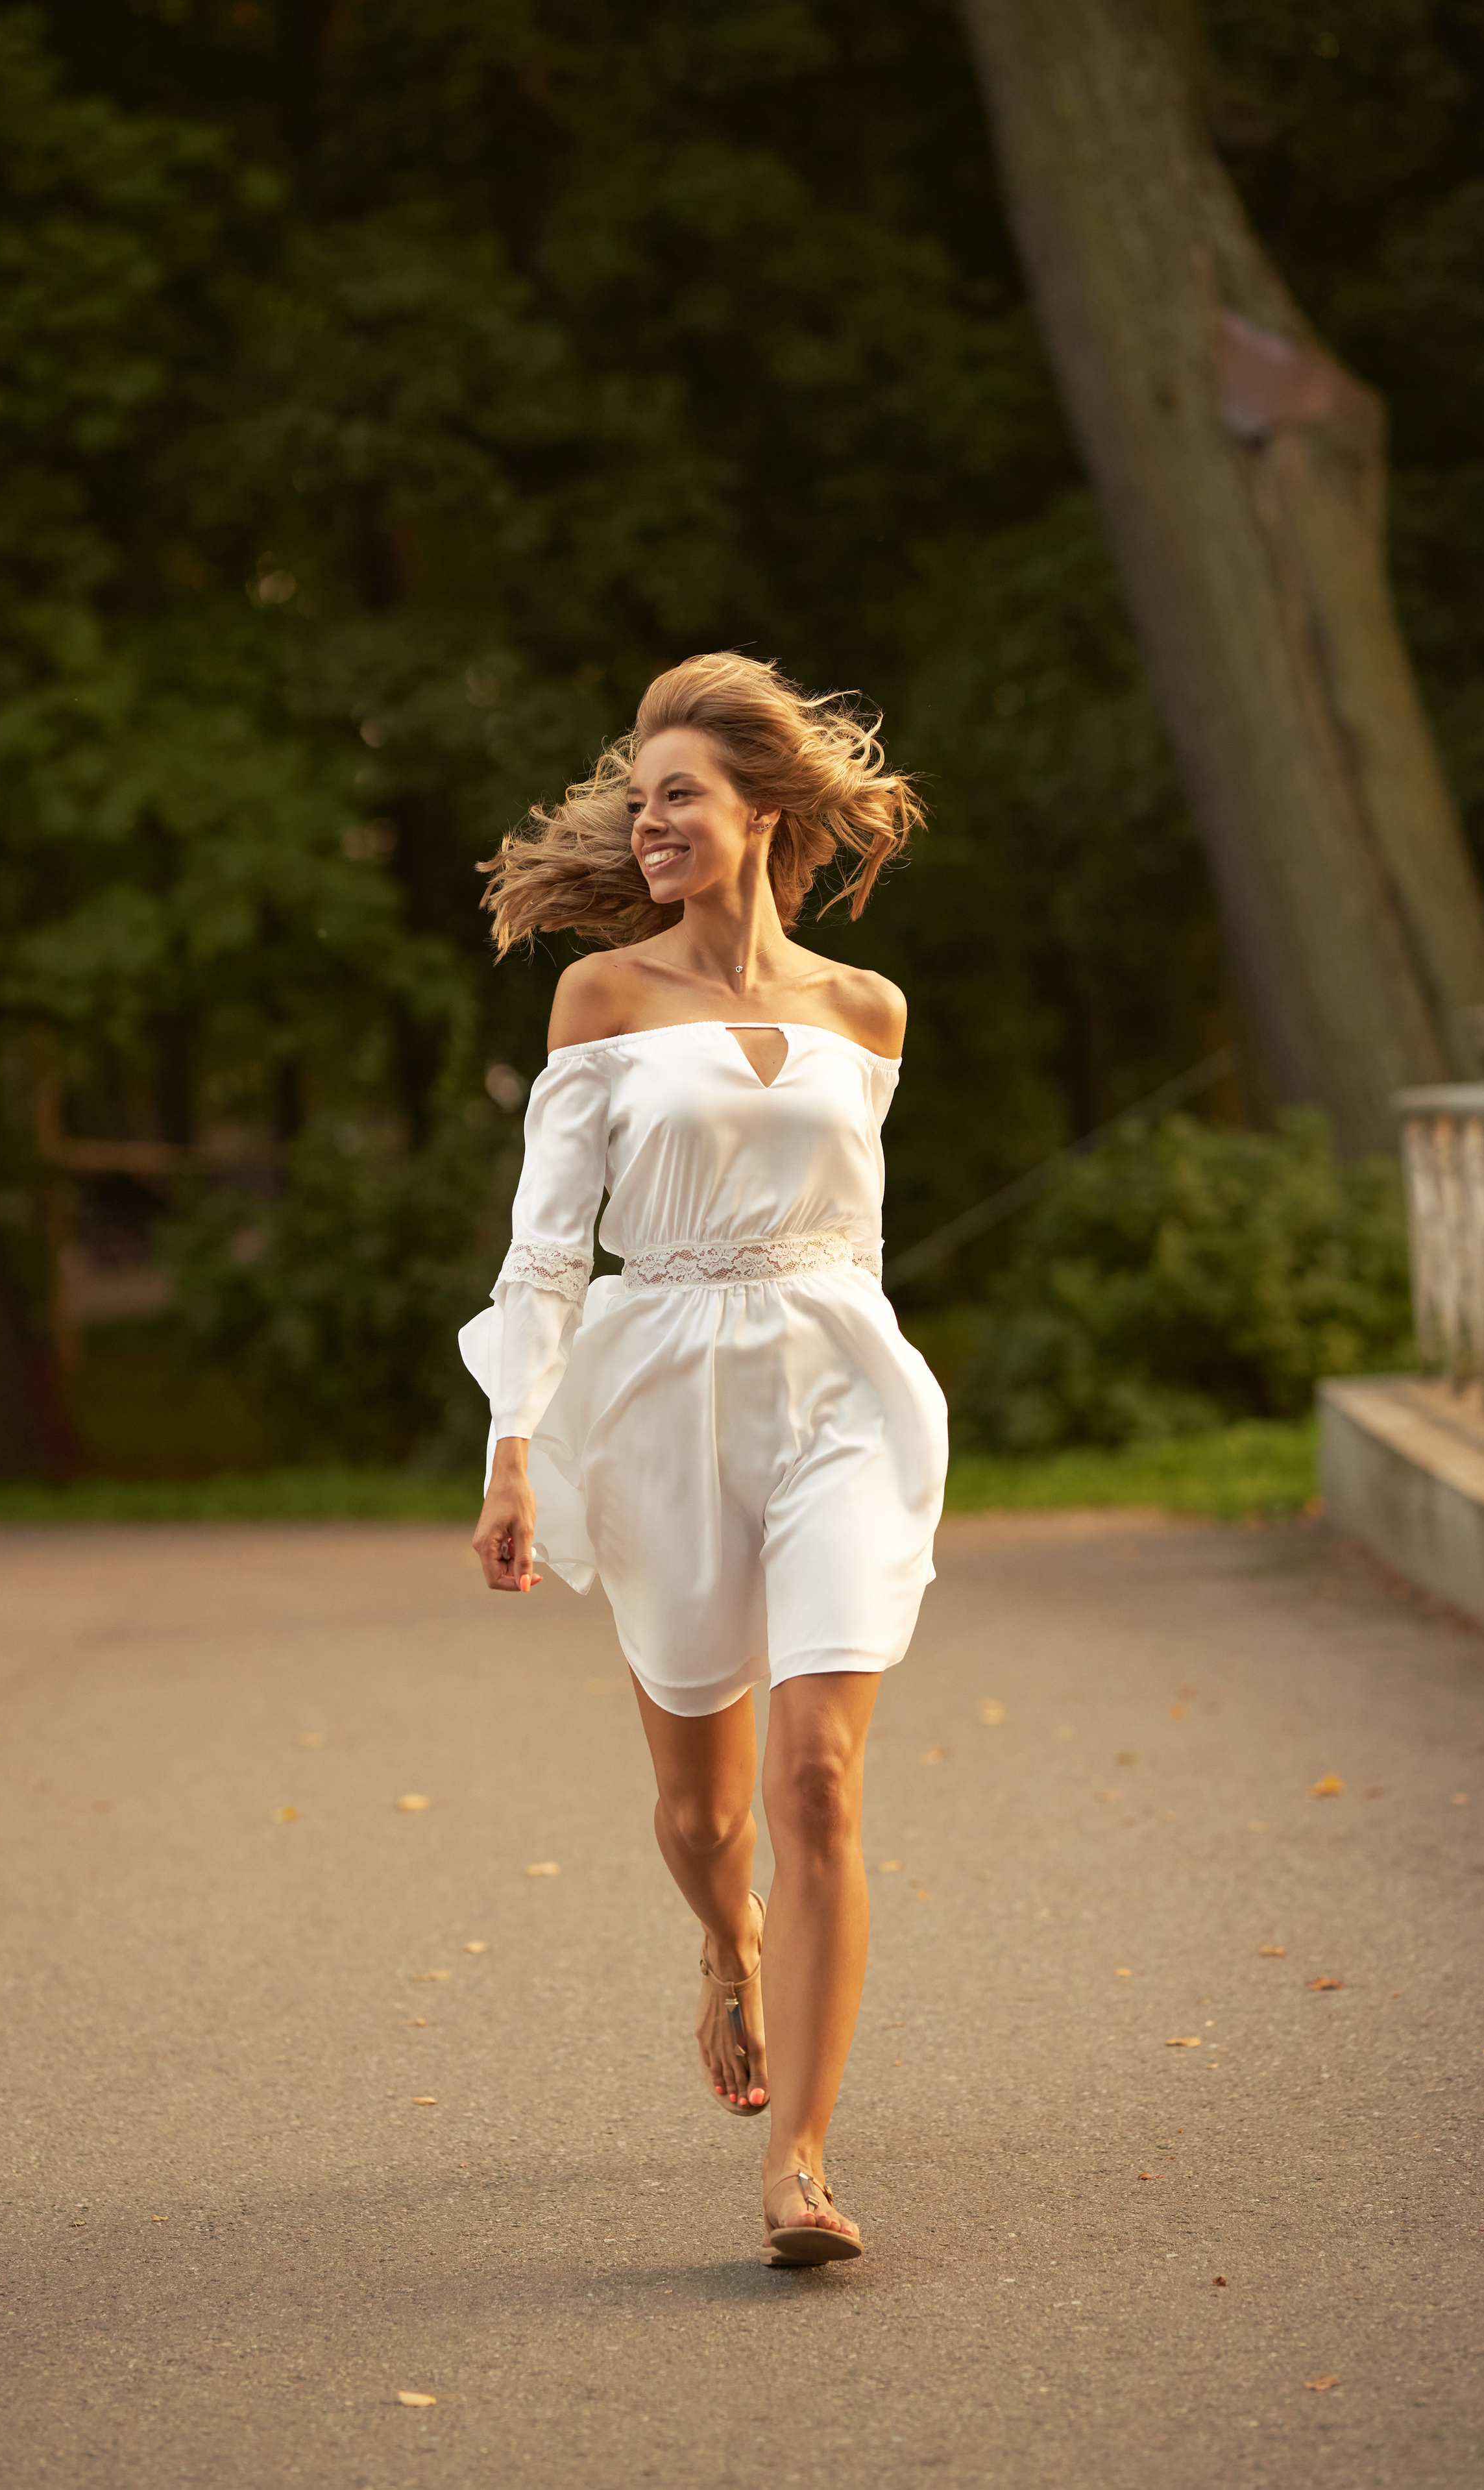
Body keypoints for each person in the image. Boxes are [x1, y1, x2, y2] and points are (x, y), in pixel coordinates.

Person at [460, 652, 947, 2266]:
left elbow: (859, 1241)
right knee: (700, 1814)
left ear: (759, 815)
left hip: (838, 1397)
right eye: (637, 797)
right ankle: (726, 1948)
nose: (647, 819)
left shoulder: (862, 1012)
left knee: (818, 1777)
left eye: (680, 794)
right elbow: (545, 1254)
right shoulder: (602, 999)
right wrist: (512, 1444)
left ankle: (797, 2162)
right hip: (662, 1396)